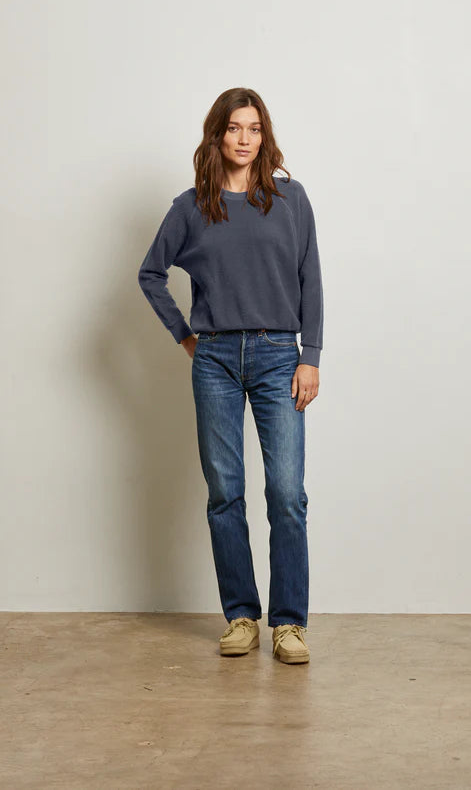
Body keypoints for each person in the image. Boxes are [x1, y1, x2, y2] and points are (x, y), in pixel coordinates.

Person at [138, 87, 324, 665]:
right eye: (234, 128)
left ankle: (288, 624)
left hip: (278, 354)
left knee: (287, 493)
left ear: (264, 136)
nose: (245, 139)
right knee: (225, 492)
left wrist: (311, 355)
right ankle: (241, 616)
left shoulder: (290, 199)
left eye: (255, 128)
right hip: (215, 358)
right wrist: (185, 336)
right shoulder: (192, 205)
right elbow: (150, 273)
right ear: (217, 134)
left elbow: (310, 277)